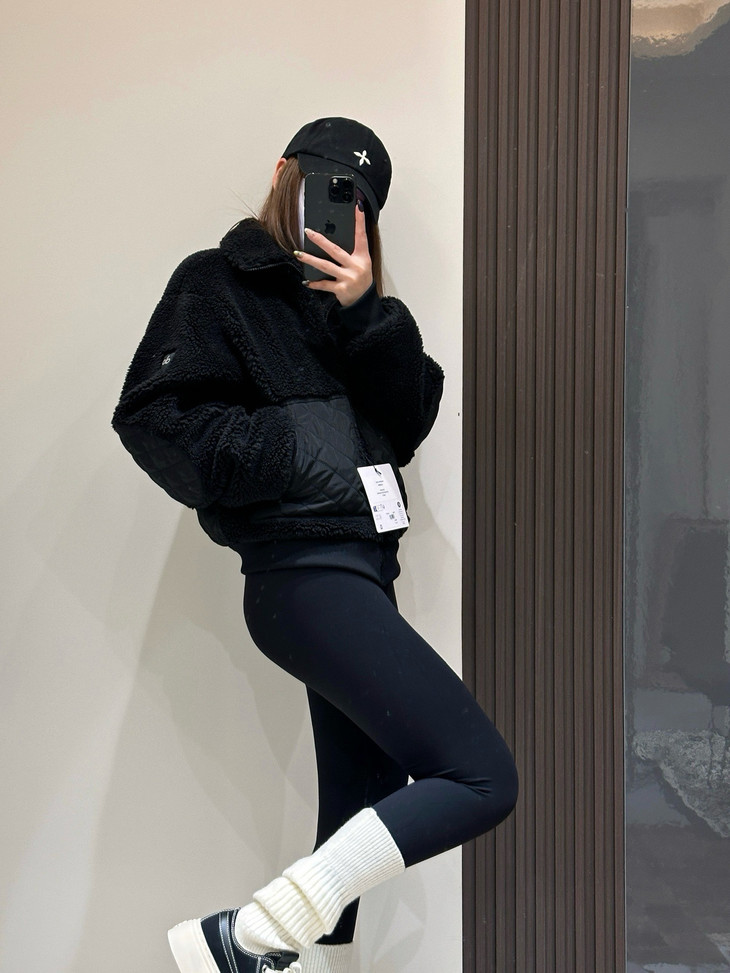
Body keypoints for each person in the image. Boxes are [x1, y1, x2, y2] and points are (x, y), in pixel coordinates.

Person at [112, 117, 518, 973]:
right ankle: (243, 936)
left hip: (359, 578)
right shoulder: (216, 283)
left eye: (357, 200)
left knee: (359, 804)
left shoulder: (362, 312)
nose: (340, 209)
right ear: (283, 174)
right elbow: (152, 417)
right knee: (482, 776)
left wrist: (366, 313)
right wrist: (287, 447)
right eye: (328, 185)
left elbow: (407, 420)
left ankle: (282, 950)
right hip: (300, 577)